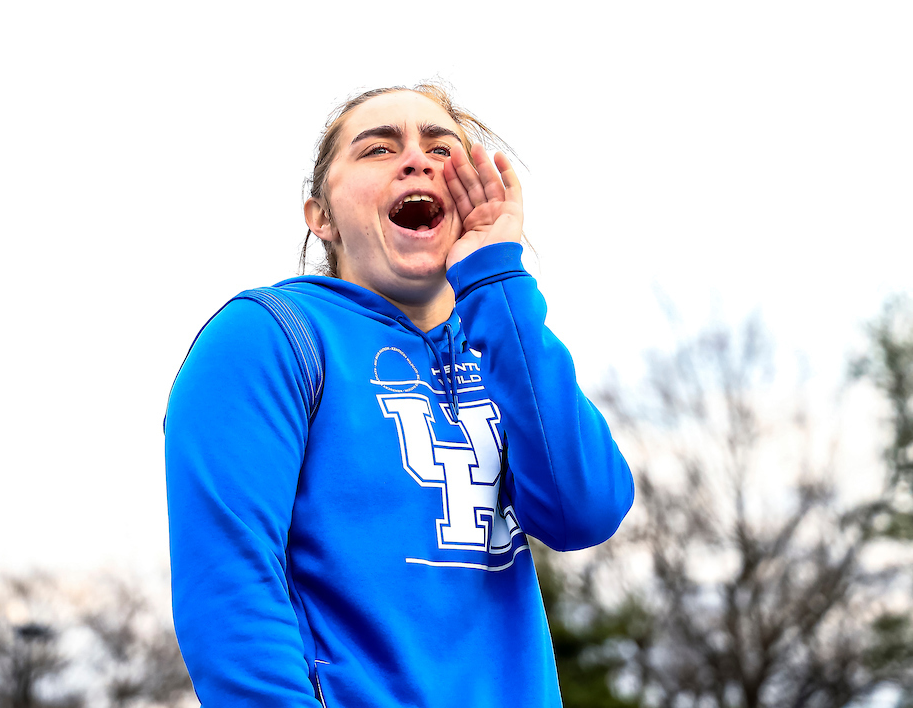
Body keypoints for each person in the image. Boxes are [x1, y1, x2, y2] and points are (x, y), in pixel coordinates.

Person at [164, 83, 634, 707]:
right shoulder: (268, 336)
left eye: (440, 146)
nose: (415, 158)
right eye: (378, 148)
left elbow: (587, 510)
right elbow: (231, 598)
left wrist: (496, 278)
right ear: (321, 217)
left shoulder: (501, 336)